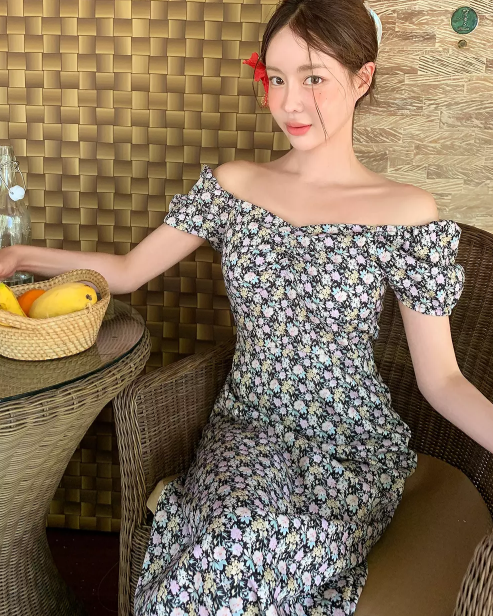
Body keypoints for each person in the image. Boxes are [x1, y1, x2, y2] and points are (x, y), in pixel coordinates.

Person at [1, 0, 493, 614]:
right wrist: (20, 255)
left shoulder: (406, 212)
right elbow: (127, 271)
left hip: (351, 443)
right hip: (247, 426)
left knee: (265, 550)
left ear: (362, 77)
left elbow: (441, 380)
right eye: (277, 79)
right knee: (217, 550)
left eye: (314, 78)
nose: (290, 103)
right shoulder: (234, 187)